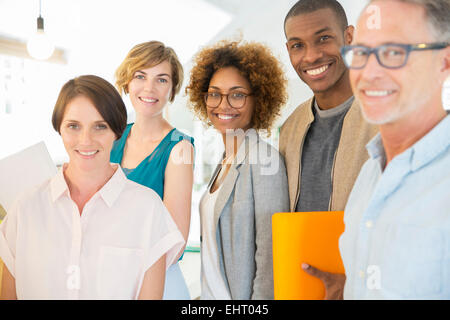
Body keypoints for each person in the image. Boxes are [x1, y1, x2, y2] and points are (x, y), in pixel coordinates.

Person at [0, 75, 184, 299]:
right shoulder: (25, 208)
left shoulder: (148, 209)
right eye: (73, 126)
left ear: (117, 132)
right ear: (59, 129)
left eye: (100, 126)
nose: (86, 140)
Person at [338, 0, 450, 299]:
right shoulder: (369, 173)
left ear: (445, 62)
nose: (369, 73)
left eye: (393, 52)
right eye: (361, 52)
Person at [279, 0, 378, 298]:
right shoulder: (291, 127)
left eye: (324, 38)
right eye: (298, 45)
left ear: (349, 38)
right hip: (300, 287)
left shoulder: (384, 117)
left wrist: (358, 283)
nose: (311, 56)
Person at [187, 40, 290, 299]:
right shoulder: (225, 160)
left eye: (237, 94)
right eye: (214, 93)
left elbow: (270, 259)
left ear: (259, 100)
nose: (223, 104)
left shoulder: (265, 160)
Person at [111, 41, 194, 300]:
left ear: (171, 89)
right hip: (113, 278)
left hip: (158, 283)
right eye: (140, 76)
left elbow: (175, 241)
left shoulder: (179, 148)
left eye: (161, 79)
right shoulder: (112, 138)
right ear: (127, 82)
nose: (149, 88)